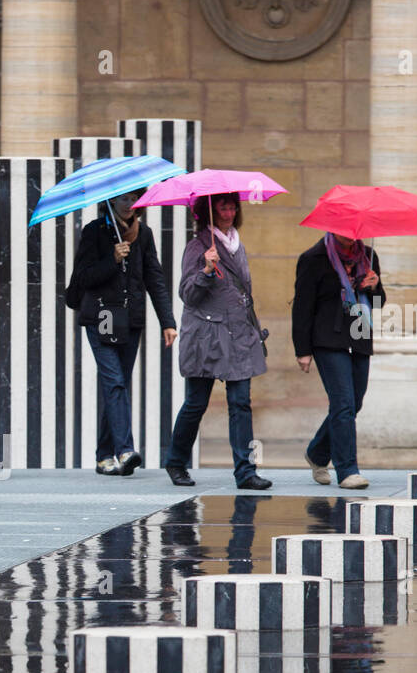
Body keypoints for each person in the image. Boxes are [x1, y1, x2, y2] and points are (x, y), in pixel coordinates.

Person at [164, 192, 272, 490]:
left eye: (232, 203)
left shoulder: (238, 245)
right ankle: (176, 461)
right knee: (196, 403)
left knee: (240, 403)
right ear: (208, 209)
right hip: (206, 337)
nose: (229, 208)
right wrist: (207, 271)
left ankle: (246, 472)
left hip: (239, 337)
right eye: (222, 204)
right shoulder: (197, 246)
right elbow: (187, 294)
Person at [70, 188, 177, 475]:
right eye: (124, 199)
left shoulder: (144, 234)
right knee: (115, 381)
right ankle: (125, 450)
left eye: (134, 199)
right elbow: (83, 278)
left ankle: (104, 456)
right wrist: (112, 260)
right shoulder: (95, 232)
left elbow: (155, 277)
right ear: (111, 201)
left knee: (117, 385)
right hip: (100, 316)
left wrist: (168, 321)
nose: (130, 204)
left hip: (130, 320)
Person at [292, 229, 383, 489]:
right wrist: (303, 350)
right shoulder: (314, 257)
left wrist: (374, 286)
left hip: (360, 334)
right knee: (343, 403)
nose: (350, 235)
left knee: (354, 403)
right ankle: (348, 470)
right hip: (327, 338)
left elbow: (378, 303)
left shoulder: (368, 256)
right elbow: (302, 306)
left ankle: (317, 453)